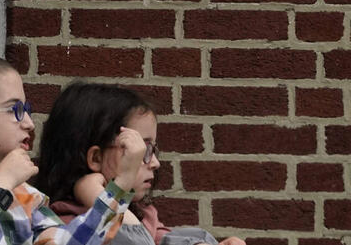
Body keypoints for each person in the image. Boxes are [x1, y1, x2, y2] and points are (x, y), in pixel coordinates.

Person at [0, 53, 147, 245]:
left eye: (27, 110)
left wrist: (121, 184)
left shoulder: (26, 195)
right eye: (14, 110)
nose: (29, 123)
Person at [33, 82, 246, 245]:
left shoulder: (142, 213)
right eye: (141, 149)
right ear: (96, 158)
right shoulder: (66, 227)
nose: (155, 163)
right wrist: (98, 195)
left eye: (152, 149)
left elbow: (163, 238)